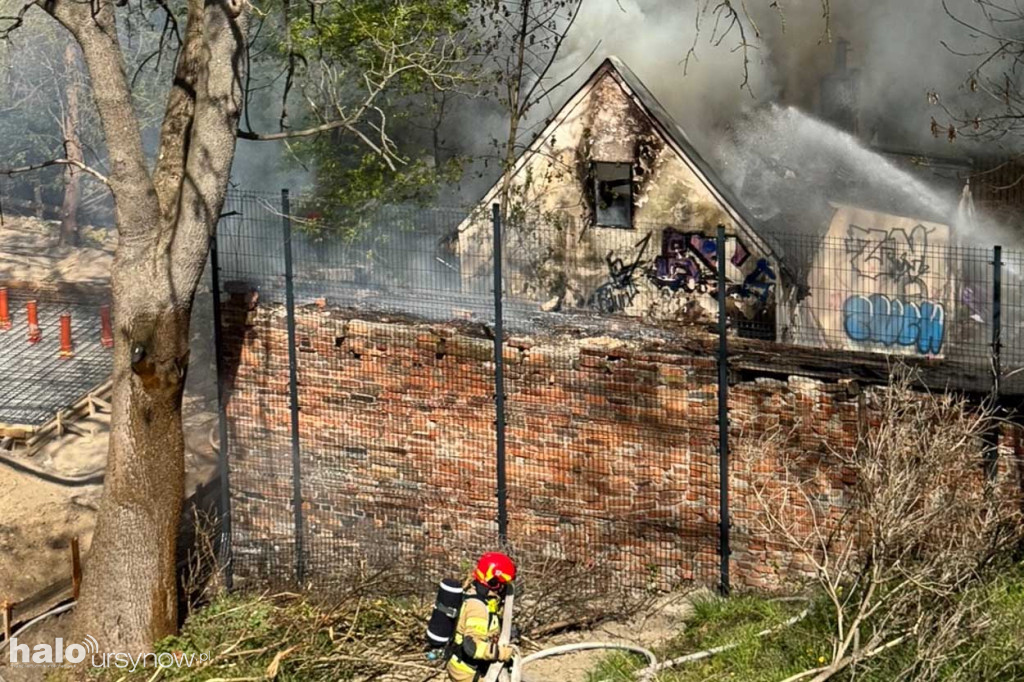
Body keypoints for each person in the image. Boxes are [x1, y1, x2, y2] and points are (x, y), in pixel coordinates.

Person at [446, 552, 517, 682]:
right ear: (494, 582)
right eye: (503, 584)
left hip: (472, 667)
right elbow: (472, 647)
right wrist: (500, 653)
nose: (505, 588)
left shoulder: (485, 599)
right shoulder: (478, 607)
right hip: (467, 672)